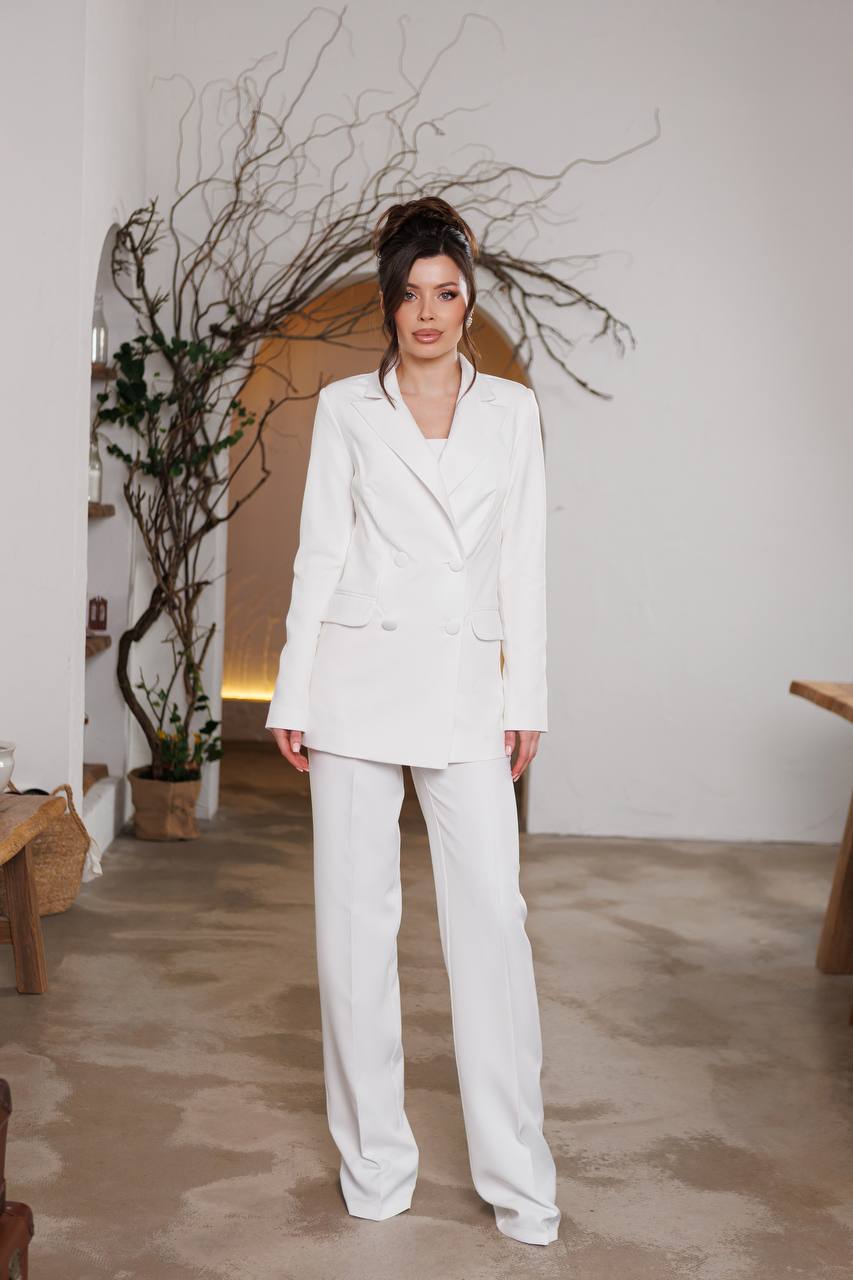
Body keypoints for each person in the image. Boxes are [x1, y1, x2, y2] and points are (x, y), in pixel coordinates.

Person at [266, 196, 560, 1247]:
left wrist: (526, 695)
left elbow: (523, 559)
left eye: (446, 294)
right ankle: (375, 1163)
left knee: (493, 927)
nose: (427, 313)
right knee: (355, 932)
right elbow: (319, 553)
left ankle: (521, 1177)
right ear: (388, 305)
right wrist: (292, 690)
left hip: (465, 689)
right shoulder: (348, 408)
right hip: (353, 683)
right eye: (410, 295)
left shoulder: (511, 413)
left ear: (467, 301)